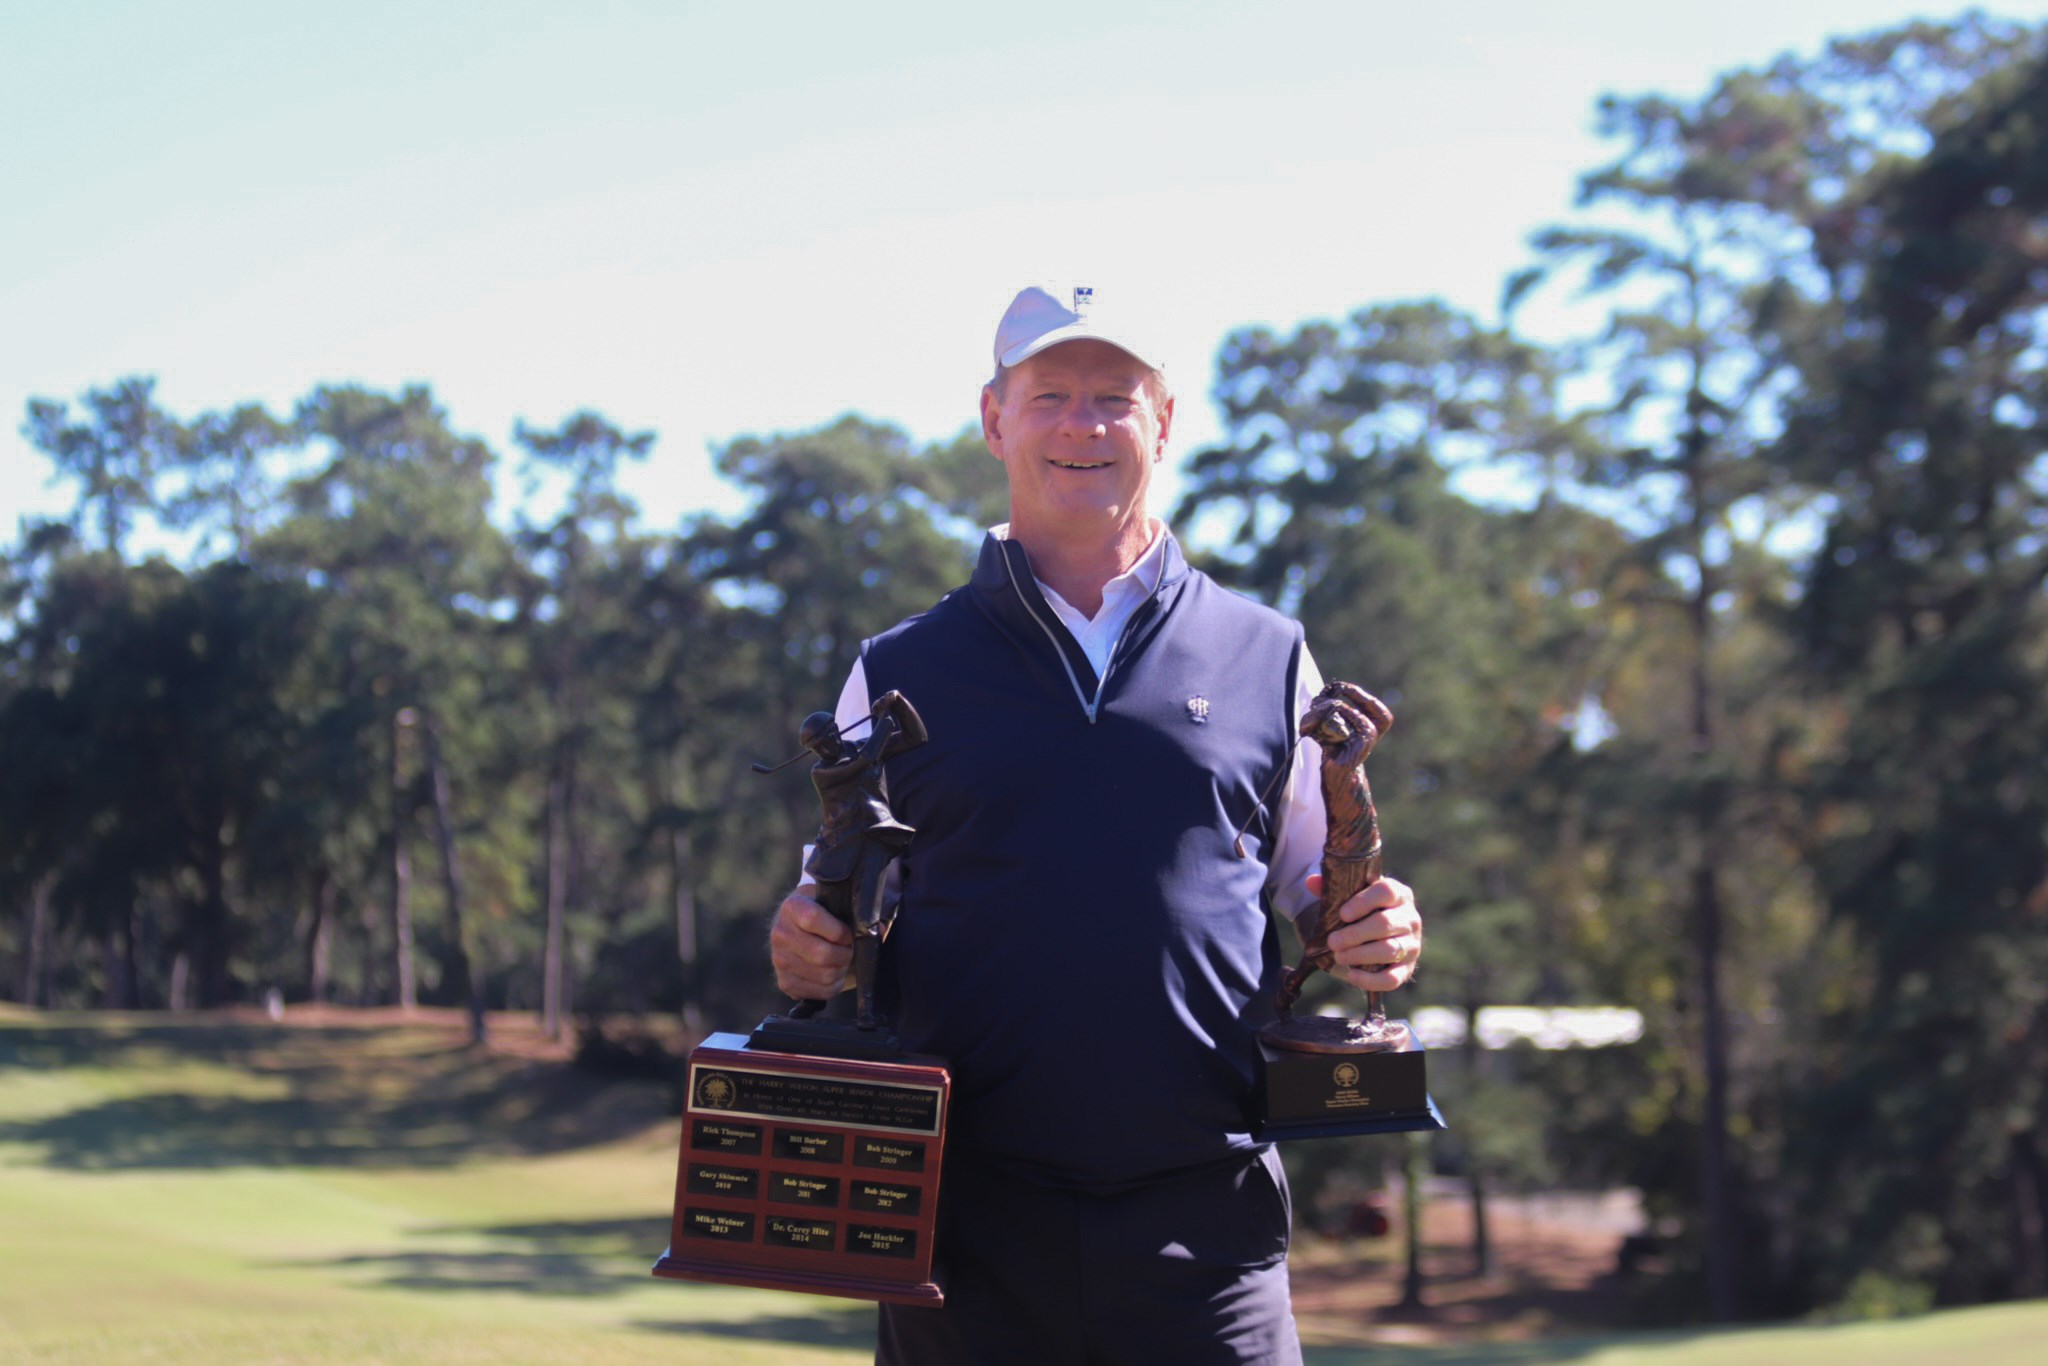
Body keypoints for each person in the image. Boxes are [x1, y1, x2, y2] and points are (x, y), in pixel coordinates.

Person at [769, 282, 1424, 1366]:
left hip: (1207, 1223)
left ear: (1163, 424)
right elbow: (822, 908)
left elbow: (1323, 888)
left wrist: (1379, 927)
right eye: (1051, 395)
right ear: (993, 419)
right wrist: (800, 935)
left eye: (1116, 398)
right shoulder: (895, 667)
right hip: (963, 1229)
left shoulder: (1268, 653)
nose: (1083, 424)